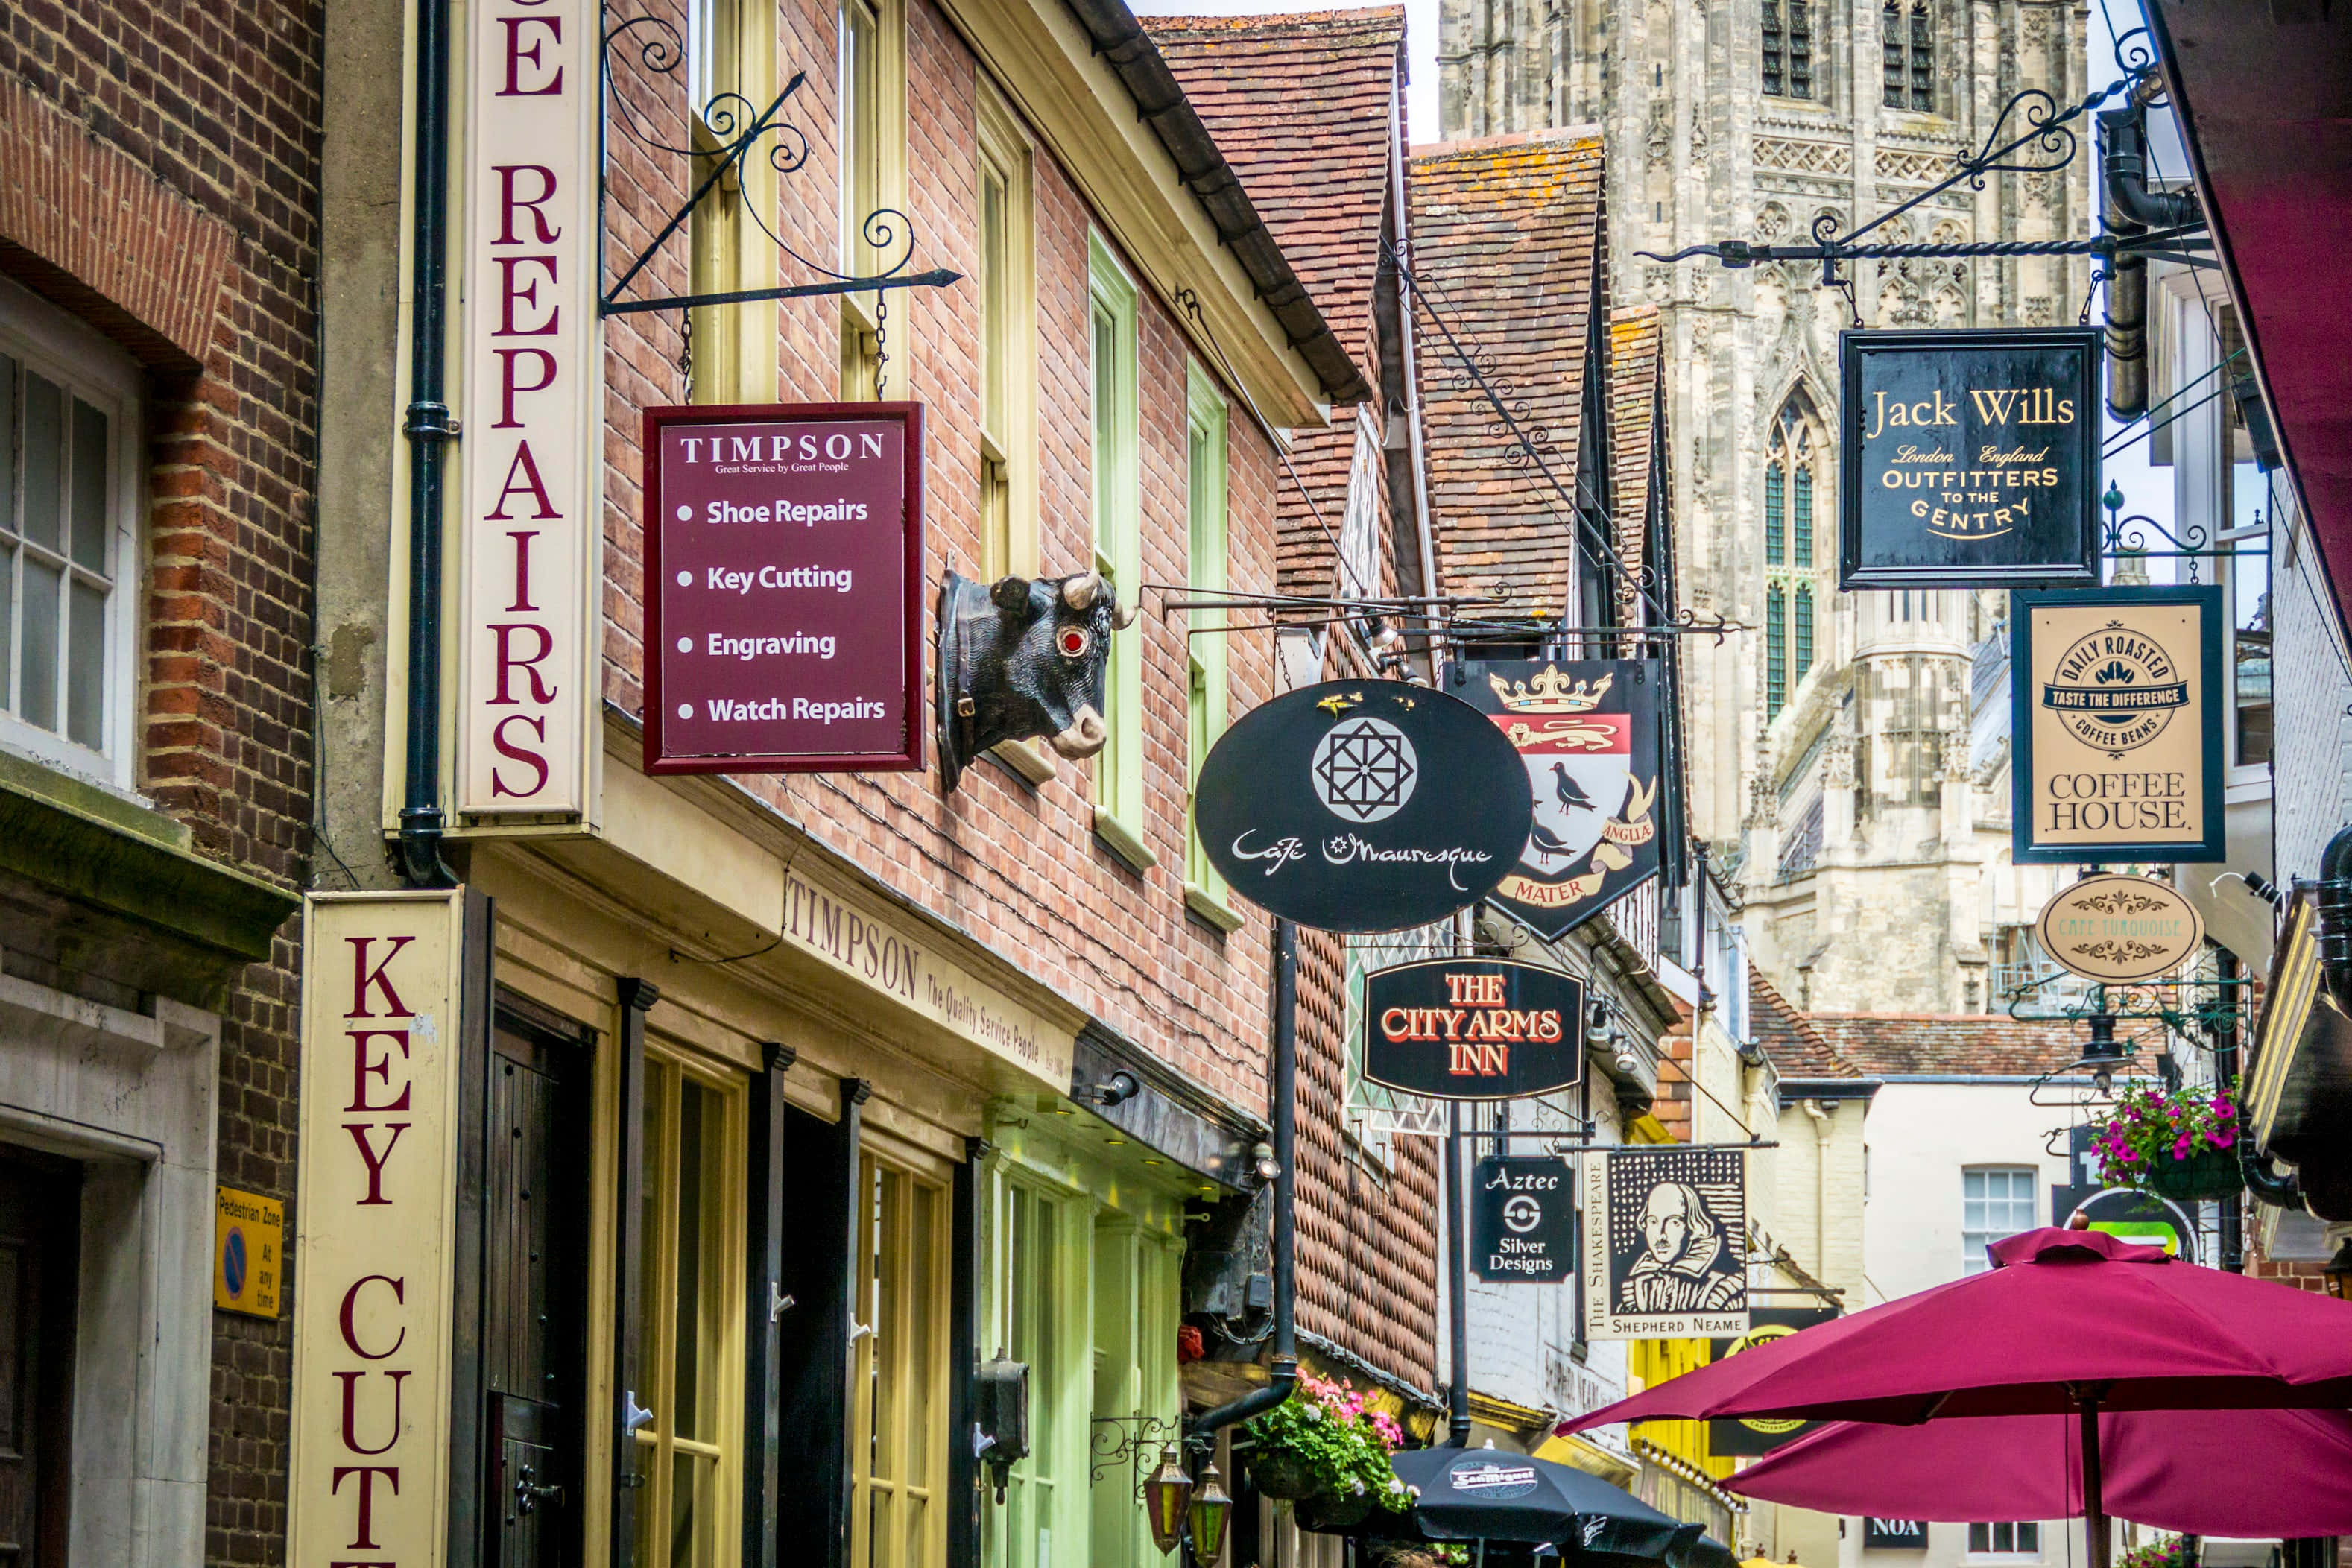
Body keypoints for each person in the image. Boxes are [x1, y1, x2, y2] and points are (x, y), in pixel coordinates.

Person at [1618, 1181, 1743, 1314]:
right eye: (1653, 1222)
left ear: (1694, 1227)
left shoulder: (1724, 1289)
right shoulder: (1634, 1289)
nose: (1661, 1235)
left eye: (1674, 1222)